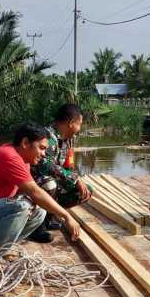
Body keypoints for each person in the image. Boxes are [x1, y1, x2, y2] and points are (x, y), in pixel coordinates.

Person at [0, 123, 81, 261]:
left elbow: (29, 193)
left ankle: (2, 249)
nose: (44, 154)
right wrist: (67, 216)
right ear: (25, 143)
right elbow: (34, 192)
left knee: (39, 212)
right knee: (22, 206)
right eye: (41, 148)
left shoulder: (23, 160)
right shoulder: (9, 156)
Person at [29, 103, 93, 242]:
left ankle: (49, 218)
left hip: (53, 180)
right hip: (32, 183)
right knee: (49, 184)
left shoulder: (68, 140)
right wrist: (73, 179)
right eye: (79, 124)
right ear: (71, 123)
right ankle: (35, 227)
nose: (80, 128)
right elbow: (45, 165)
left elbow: (69, 165)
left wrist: (77, 180)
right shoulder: (47, 136)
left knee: (85, 191)